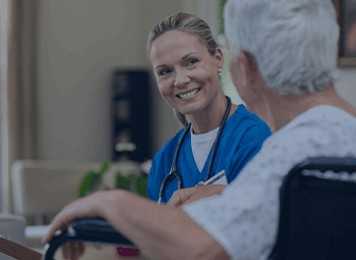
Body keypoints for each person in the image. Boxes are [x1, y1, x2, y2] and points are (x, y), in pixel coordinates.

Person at [43, 0, 356, 259]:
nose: (181, 79)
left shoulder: (291, 153)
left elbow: (200, 247)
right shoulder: (335, 135)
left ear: (242, 65)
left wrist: (106, 202)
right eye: (165, 71)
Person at [146, 12, 271, 203]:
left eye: (191, 62)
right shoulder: (163, 162)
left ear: (218, 58)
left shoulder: (254, 136)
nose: (180, 80)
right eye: (165, 71)